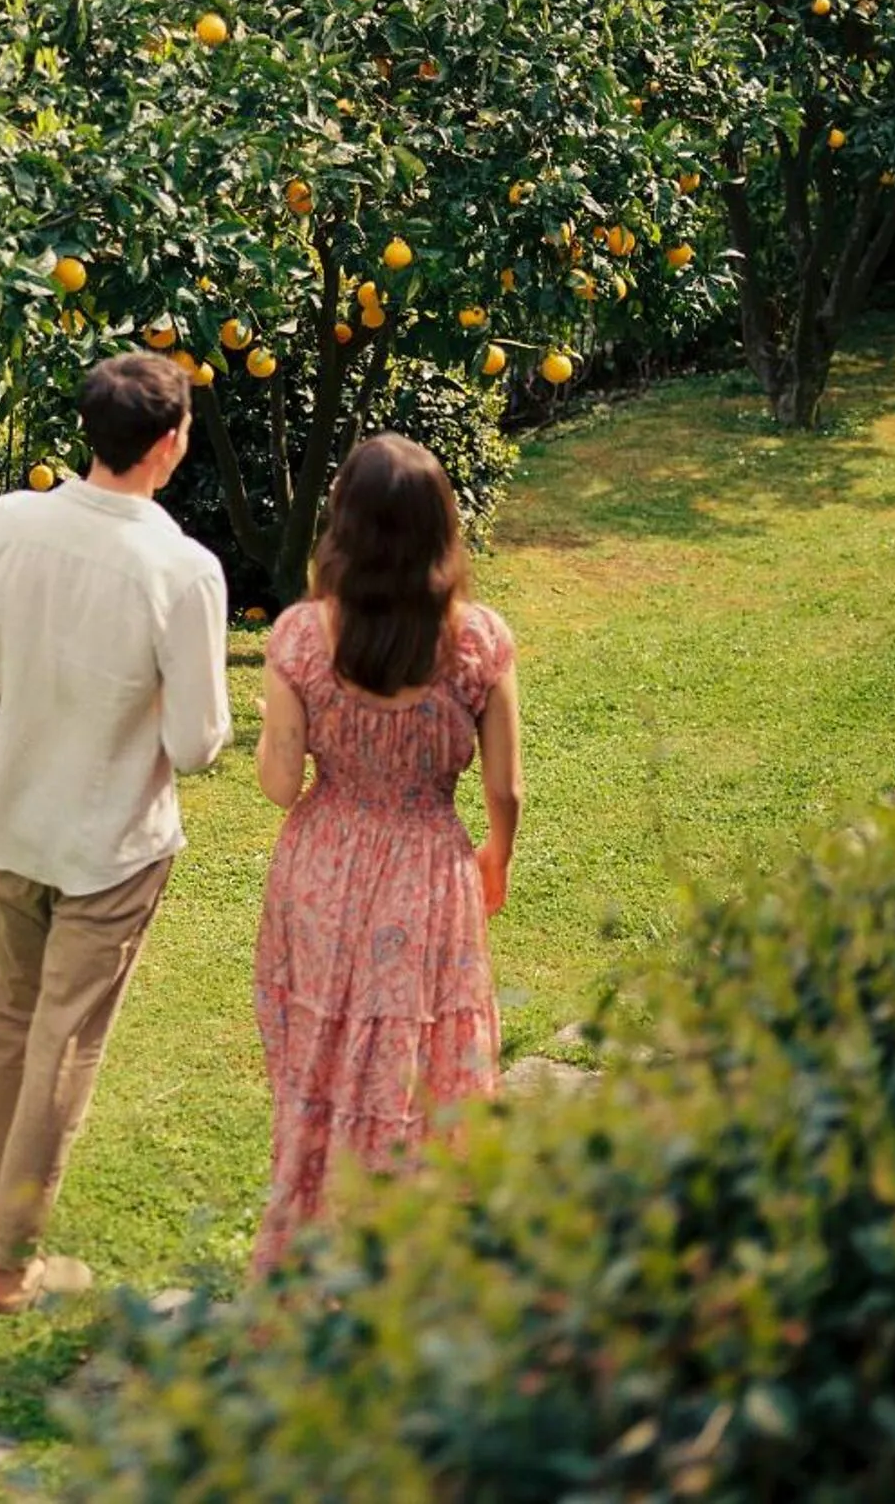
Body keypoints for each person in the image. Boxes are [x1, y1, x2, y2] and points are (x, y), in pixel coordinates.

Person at [0, 351, 232, 1314]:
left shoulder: (7, 521)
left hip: (15, 820)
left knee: (6, 1027)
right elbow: (195, 745)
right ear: (170, 442)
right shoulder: (181, 569)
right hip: (111, 844)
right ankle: (10, 1264)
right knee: (62, 1046)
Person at [249, 431, 523, 1272]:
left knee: (325, 1057)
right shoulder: (478, 641)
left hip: (324, 868)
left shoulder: (300, 638)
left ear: (342, 528)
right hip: (426, 869)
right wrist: (495, 859)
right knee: (422, 1057)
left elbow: (278, 782)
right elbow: (506, 788)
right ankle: (416, 1252)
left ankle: (312, 1239)